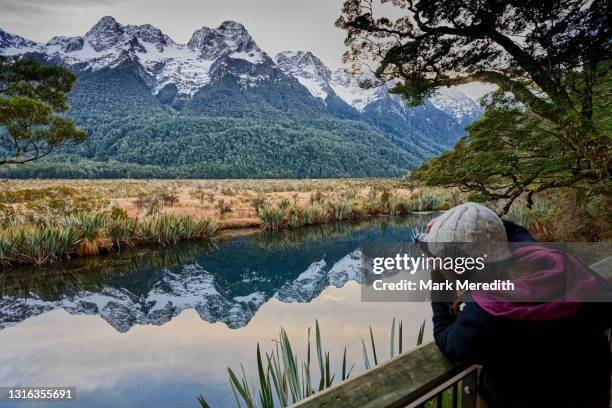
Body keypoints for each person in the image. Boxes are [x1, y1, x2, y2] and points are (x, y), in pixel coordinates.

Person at [416, 202, 612, 408]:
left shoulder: (484, 318)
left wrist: (437, 275)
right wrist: (463, 225)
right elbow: (514, 232)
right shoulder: (556, 264)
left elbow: (445, 337)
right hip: (591, 394)